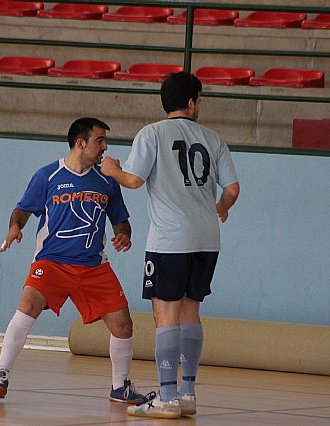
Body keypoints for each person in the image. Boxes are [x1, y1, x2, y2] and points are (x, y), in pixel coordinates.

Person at [101, 72, 240, 419]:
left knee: (166, 313)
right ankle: (188, 392)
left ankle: (166, 397)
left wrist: (112, 169)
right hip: (207, 238)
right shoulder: (213, 138)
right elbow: (233, 189)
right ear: (191, 101)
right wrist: (220, 208)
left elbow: (133, 180)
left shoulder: (152, 133)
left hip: (169, 239)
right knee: (191, 310)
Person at [0, 117, 145, 405]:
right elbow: (22, 210)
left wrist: (124, 236)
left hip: (93, 266)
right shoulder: (47, 175)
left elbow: (121, 222)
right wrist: (14, 229)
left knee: (123, 324)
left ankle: (119, 388)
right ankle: (1, 373)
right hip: (52, 262)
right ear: (81, 143)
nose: (105, 147)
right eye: (100, 141)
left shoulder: (108, 180)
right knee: (27, 306)